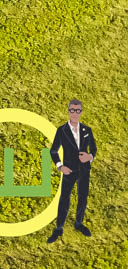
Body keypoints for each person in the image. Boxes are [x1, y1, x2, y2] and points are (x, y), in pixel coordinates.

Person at [49, 99, 97, 242]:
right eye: (72, 110)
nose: (75, 113)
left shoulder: (87, 130)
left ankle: (79, 223)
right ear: (68, 111)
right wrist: (60, 166)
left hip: (84, 169)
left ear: (81, 112)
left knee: (83, 196)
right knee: (64, 198)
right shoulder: (61, 130)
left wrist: (90, 156)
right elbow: (53, 151)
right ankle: (59, 228)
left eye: (78, 110)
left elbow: (93, 149)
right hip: (69, 169)